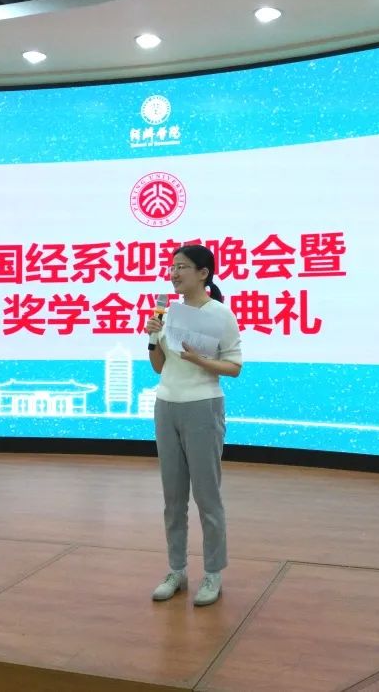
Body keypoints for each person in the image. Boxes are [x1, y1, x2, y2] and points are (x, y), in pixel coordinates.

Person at [145, 244, 242, 607]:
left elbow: (234, 367)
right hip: (166, 405)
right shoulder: (169, 313)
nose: (174, 273)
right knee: (173, 498)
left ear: (203, 273)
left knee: (206, 496)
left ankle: (213, 572)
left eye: (182, 267)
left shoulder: (220, 314)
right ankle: (176, 570)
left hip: (203, 406)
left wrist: (200, 359)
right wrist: (153, 337)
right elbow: (159, 367)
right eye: (172, 267)